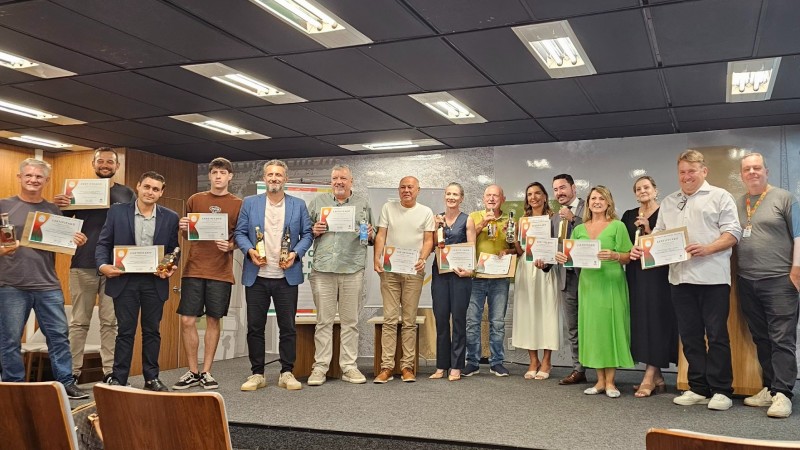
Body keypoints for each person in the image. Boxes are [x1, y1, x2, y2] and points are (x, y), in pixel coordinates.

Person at [631, 149, 741, 411]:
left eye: (692, 171)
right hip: (679, 280)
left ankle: (722, 390)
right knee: (690, 336)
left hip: (713, 278)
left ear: (704, 171)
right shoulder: (670, 201)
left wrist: (708, 248)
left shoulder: (720, 196)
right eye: (682, 172)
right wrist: (643, 249)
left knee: (716, 336)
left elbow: (733, 233)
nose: (687, 176)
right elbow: (658, 236)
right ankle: (698, 387)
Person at [0, 158, 89, 399]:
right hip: (11, 285)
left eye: (38, 177)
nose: (33, 180)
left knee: (59, 336)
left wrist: (75, 240)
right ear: (20, 177)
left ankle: (66, 383)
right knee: (9, 340)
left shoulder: (53, 210)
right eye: (28, 176)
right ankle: (14, 387)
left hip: (47, 284)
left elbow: (60, 243)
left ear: (46, 181)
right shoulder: (3, 206)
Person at [53, 147, 135, 385]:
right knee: (79, 322)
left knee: (111, 322)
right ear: (94, 164)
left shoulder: (127, 194)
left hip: (115, 268)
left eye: (110, 161)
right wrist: (60, 206)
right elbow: (60, 226)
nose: (105, 164)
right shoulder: (76, 192)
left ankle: (110, 372)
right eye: (101, 161)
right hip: (83, 264)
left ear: (117, 166)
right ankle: (72, 374)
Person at [96, 171, 180, 391]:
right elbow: (103, 243)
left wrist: (169, 267)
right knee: (125, 331)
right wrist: (103, 266)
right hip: (124, 281)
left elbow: (173, 250)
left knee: (152, 331)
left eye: (155, 189)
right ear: (138, 187)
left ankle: (151, 377)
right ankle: (119, 377)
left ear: (161, 193)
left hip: (154, 282)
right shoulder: (117, 212)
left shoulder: (170, 217)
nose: (150, 192)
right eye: (147, 187)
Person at [234, 160, 312, 391]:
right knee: (255, 327)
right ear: (264, 178)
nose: (274, 178)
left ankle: (287, 372)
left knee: (287, 327)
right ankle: (257, 373)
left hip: (286, 276)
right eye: (270, 174)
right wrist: (249, 251)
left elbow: (307, 234)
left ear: (285, 178)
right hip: (257, 275)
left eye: (278, 174)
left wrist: (296, 255)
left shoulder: (298, 205)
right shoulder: (250, 203)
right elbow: (239, 232)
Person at [736, 152, 800, 418]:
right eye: (747, 169)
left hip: (779, 281)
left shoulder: (785, 198)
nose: (752, 172)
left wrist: (796, 269)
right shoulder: (739, 202)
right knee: (761, 338)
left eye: (757, 168)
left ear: (766, 171)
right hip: (747, 280)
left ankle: (784, 393)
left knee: (782, 338)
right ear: (741, 175)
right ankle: (771, 389)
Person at [556, 186, 633, 398]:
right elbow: (571, 256)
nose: (596, 202)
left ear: (608, 202)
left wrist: (615, 256)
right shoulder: (579, 229)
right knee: (594, 330)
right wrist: (563, 258)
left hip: (610, 283)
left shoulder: (617, 226)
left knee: (610, 328)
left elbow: (628, 255)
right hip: (588, 284)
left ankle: (611, 382)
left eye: (601, 198)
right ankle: (599, 381)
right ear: (587, 203)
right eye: (593, 198)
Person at [172, 158, 242, 390]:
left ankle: (207, 372)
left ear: (230, 176)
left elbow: (240, 237)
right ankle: (192, 371)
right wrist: (183, 229)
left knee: (214, 319)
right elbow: (187, 236)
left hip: (220, 271)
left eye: (223, 172)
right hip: (194, 268)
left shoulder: (238, 204)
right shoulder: (195, 199)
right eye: (214, 173)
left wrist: (231, 246)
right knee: (187, 320)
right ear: (210, 176)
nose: (218, 176)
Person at [306, 164, 374, 386]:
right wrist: (313, 231)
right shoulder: (318, 203)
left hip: (352, 268)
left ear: (351, 181)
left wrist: (371, 233)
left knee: (350, 322)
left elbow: (370, 236)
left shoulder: (362, 204)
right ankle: (320, 368)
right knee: (323, 322)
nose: (339, 182)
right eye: (335, 178)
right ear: (331, 181)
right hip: (323, 269)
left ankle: (349, 367)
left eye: (343, 178)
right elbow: (305, 233)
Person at [372, 176, 434, 383]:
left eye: (410, 187)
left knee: (409, 321)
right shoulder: (388, 208)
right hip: (389, 271)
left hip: (413, 271)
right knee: (389, 319)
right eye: (402, 187)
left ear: (418, 190)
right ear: (398, 190)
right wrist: (376, 258)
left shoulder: (426, 212)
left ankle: (407, 366)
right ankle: (386, 367)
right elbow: (381, 235)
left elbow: (428, 240)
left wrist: (422, 258)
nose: (406, 190)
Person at [620, 176, 677, 397]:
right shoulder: (627, 215)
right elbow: (624, 245)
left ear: (655, 190)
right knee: (641, 322)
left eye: (646, 187)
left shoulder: (667, 213)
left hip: (658, 275)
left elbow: (670, 243)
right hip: (635, 274)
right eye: (638, 188)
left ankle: (649, 376)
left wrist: (648, 230)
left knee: (657, 321)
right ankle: (657, 375)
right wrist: (629, 252)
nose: (642, 191)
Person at [511, 182, 561, 380]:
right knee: (528, 312)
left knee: (547, 312)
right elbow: (521, 251)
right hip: (526, 268)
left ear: (545, 196)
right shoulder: (523, 221)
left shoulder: (554, 219)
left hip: (547, 268)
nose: (534, 197)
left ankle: (547, 360)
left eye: (538, 193)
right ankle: (533, 360)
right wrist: (514, 237)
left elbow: (558, 244)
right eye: (530, 194)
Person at [464, 185, 514, 377]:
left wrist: (507, 251)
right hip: (475, 277)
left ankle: (497, 362)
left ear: (503, 198)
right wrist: (482, 224)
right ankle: (472, 362)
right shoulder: (474, 217)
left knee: (497, 322)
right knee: (472, 321)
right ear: (484, 198)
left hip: (500, 278)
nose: (492, 199)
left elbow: (516, 249)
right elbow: (464, 240)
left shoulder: (510, 220)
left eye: (496, 196)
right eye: (488, 195)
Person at [430, 183, 475, 382]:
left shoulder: (468, 220)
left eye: (455, 194)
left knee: (458, 320)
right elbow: (432, 246)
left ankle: (456, 366)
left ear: (461, 198)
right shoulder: (436, 219)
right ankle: (441, 365)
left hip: (460, 275)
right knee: (440, 319)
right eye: (448, 194)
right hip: (440, 273)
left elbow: (472, 248)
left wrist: (470, 271)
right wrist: (437, 228)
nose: (451, 197)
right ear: (444, 196)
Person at [550, 174, 587, 385]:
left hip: (589, 276)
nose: (559, 193)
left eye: (563, 188)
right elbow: (554, 247)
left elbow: (594, 230)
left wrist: (573, 219)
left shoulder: (587, 208)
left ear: (573, 187)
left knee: (593, 323)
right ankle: (578, 369)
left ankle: (602, 370)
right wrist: (545, 261)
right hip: (566, 276)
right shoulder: (555, 218)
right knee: (573, 327)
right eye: (555, 189)